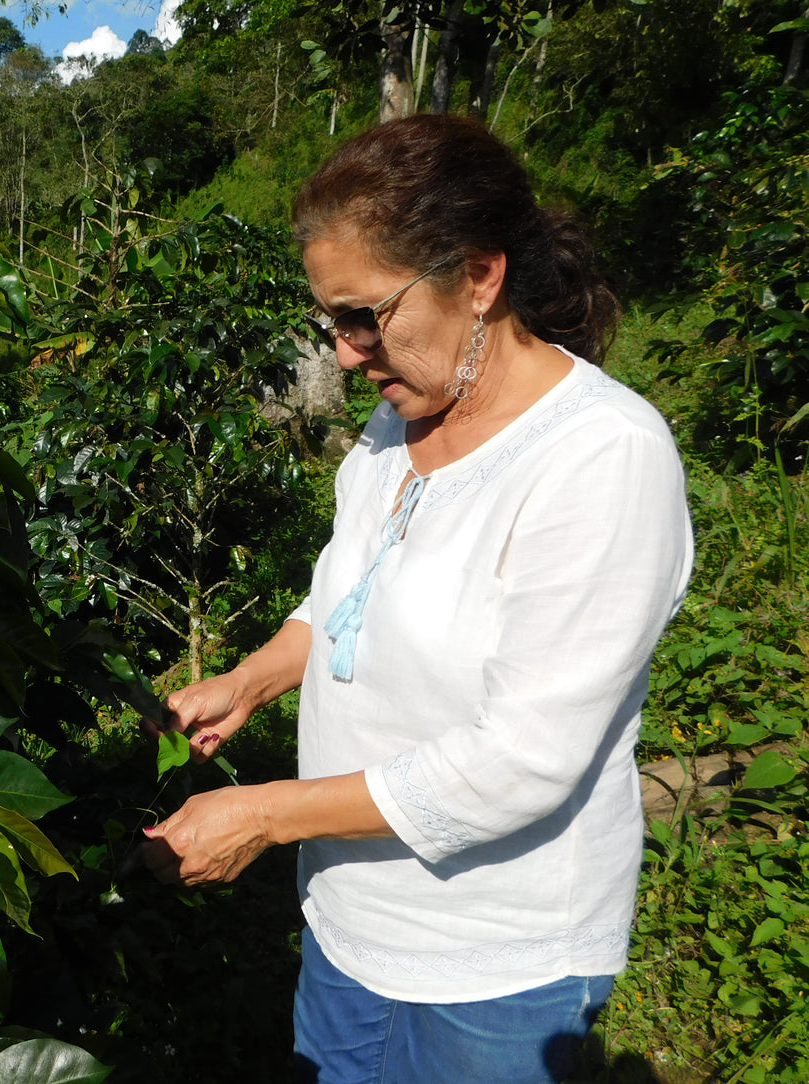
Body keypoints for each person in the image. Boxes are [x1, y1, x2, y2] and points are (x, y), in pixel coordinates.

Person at [139, 114, 694, 1084]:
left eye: (365, 315)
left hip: (492, 965)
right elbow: (341, 589)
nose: (348, 353)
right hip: (350, 920)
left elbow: (519, 763)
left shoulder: (599, 458)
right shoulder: (394, 428)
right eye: (331, 321)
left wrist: (266, 816)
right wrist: (255, 677)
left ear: (478, 277)